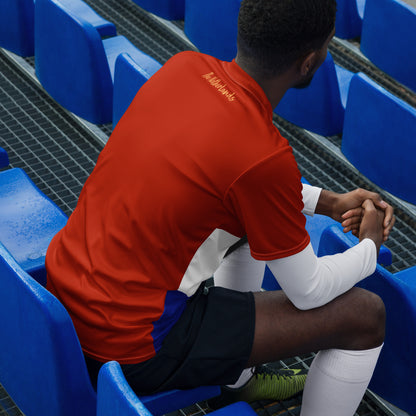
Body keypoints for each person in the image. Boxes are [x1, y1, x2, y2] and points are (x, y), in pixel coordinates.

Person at [45, 0, 395, 415]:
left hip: (67, 301)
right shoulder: (263, 155)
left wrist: (328, 202)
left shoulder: (183, 68)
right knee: (364, 316)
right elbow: (309, 290)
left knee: (248, 226)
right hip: (133, 344)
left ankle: (238, 384)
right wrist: (369, 247)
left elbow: (234, 183)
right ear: (309, 62)